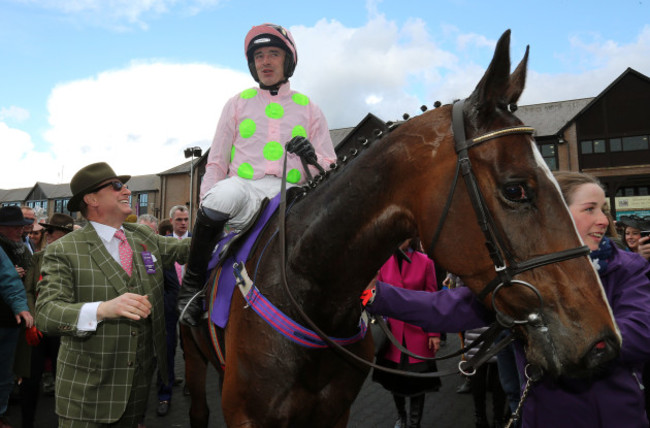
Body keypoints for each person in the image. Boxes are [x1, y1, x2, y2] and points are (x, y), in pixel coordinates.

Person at [364, 171, 650, 428]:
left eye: (603, 209)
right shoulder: (523, 277)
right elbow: (447, 307)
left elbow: (639, 334)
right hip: (546, 417)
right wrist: (373, 293)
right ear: (553, 212)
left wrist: (545, 331)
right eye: (590, 209)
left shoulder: (626, 268)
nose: (603, 220)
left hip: (617, 416)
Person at [177, 23, 337, 326]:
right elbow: (217, 162)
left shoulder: (311, 109)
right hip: (244, 190)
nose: (265, 61)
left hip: (293, 196)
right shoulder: (236, 103)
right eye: (259, 56)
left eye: (273, 54)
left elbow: (331, 166)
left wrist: (311, 157)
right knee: (221, 197)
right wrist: (205, 203)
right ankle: (192, 287)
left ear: (287, 61)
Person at [34, 162, 191, 428]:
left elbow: (189, 249)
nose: (127, 191)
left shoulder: (141, 236)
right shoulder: (64, 250)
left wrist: (227, 221)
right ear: (91, 199)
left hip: (138, 391)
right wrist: (102, 309)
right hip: (88, 395)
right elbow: (46, 314)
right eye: (117, 186)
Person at [372, 238, 440, 428]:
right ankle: (402, 417)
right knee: (396, 382)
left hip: (417, 333)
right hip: (392, 334)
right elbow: (375, 296)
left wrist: (434, 333)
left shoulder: (426, 262)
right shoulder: (383, 262)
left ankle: (414, 423)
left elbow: (433, 301)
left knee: (417, 383)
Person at [16, 214, 74, 428]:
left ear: (65, 234)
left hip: (64, 330)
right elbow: (29, 290)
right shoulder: (38, 258)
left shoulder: (78, 259)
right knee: (30, 382)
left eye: (51, 231)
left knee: (66, 382)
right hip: (38, 328)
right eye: (46, 231)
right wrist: (32, 319)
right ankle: (27, 423)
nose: (46, 235)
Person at [0, 206, 35, 428]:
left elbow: (9, 281)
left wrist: (21, 307)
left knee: (4, 373)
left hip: (9, 321)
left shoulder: (20, 248)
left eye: (20, 226)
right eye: (15, 226)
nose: (20, 230)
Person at [156, 205, 189, 417]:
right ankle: (164, 395)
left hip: (191, 302)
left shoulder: (198, 242)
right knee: (167, 348)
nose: (183, 223)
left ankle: (192, 383)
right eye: (179, 220)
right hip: (167, 303)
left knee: (191, 347)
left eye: (186, 219)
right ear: (171, 221)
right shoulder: (162, 244)